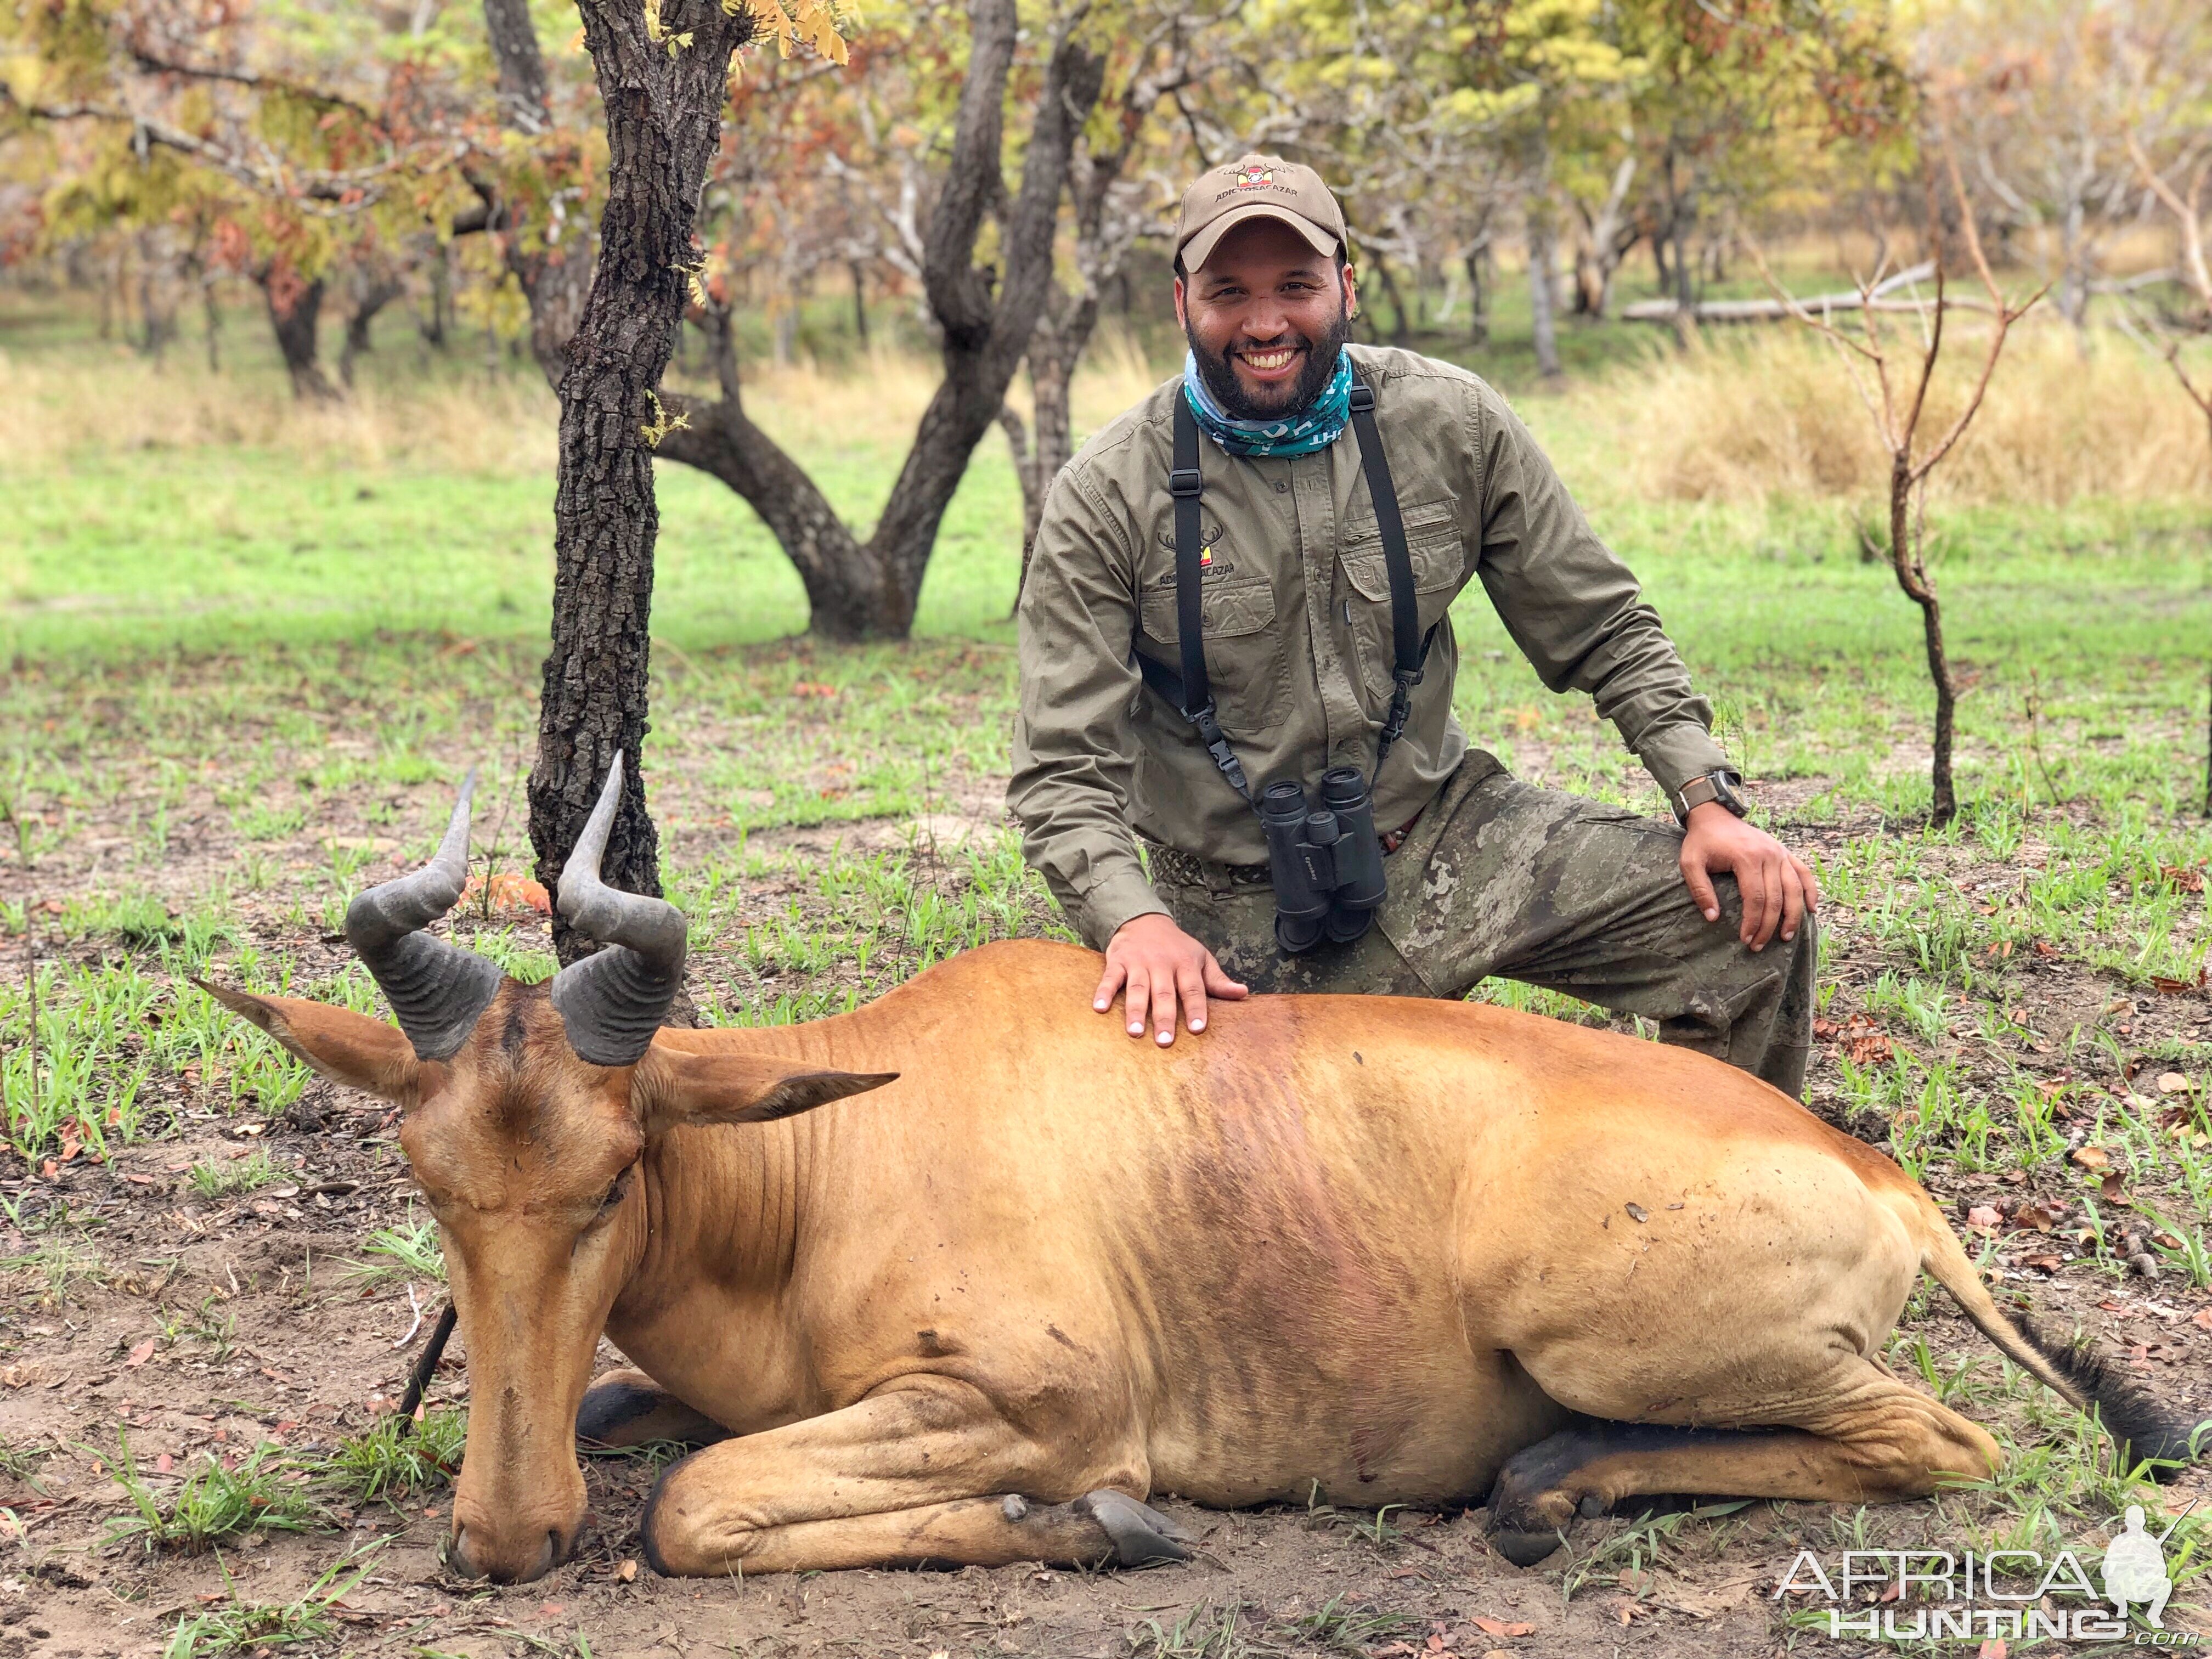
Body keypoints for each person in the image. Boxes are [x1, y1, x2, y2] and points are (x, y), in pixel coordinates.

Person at [1008, 153, 1818, 1095]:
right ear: (1181, 301)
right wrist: (1136, 925)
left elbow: (1603, 625)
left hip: (1452, 832)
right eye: (1231, 291)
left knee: (1750, 922)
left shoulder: (1453, 422)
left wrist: (1703, 795)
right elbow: (1062, 769)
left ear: (1346, 287)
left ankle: (1705, 1215)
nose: (1266, 323)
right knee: (1231, 1185)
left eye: (1298, 287)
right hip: (1235, 894)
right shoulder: (1107, 492)